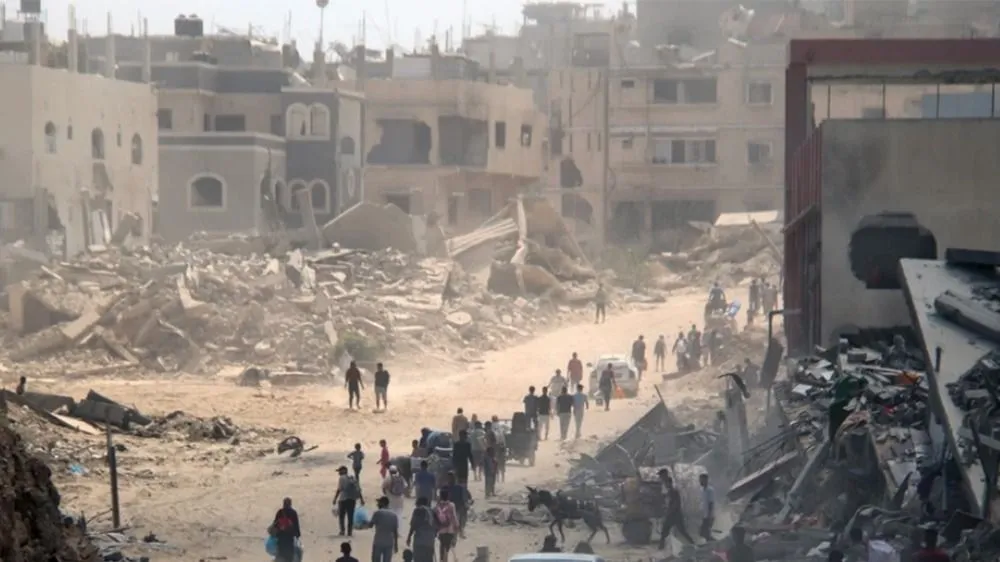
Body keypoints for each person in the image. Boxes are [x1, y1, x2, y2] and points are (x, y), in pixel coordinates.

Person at [658, 470, 695, 549]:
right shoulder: (670, 491)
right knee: (667, 531)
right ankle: (661, 547)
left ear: (669, 483)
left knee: (676, 531)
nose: (665, 484)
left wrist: (669, 511)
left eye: (667, 483)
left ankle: (693, 543)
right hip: (674, 515)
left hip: (674, 515)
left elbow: (676, 504)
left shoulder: (674, 491)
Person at [334, 465, 365, 536]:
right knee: (350, 516)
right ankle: (349, 532)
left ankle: (342, 531)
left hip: (343, 499)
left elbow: (339, 489)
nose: (339, 473)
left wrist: (335, 498)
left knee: (341, 516)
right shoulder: (352, 478)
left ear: (344, 471)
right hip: (352, 499)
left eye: (339, 471)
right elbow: (358, 489)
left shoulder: (341, 478)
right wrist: (361, 499)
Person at [406, 496, 437, 562]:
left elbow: (413, 525)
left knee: (418, 559)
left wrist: (409, 537)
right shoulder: (432, 511)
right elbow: (436, 526)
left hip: (419, 540)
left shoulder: (417, 510)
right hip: (430, 541)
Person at [369, 496, 400, 562]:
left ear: (382, 503)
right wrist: (396, 545)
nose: (377, 504)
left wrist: (362, 524)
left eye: (379, 503)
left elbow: (370, 525)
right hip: (389, 542)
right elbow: (395, 532)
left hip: (378, 541)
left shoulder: (377, 513)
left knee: (375, 560)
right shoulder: (394, 515)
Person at [434, 488, 460, 562]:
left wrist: (436, 529)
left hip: (441, 530)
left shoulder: (437, 506)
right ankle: (445, 559)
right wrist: (457, 526)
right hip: (450, 529)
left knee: (442, 545)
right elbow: (454, 516)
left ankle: (442, 559)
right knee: (447, 546)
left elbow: (435, 517)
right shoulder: (451, 505)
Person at [271, 497, 301, 562]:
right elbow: (297, 528)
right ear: (290, 504)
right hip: (289, 542)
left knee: (280, 557)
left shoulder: (280, 512)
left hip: (280, 542)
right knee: (289, 559)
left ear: (283, 504)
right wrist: (297, 536)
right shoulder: (293, 513)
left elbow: (275, 525)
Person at [444, 471, 472, 538]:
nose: (451, 479)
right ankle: (456, 535)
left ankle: (460, 532)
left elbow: (468, 496)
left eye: (452, 478)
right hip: (452, 508)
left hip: (460, 507)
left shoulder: (460, 487)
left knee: (462, 521)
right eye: (449, 478)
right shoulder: (446, 488)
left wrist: (467, 503)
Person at [698, 473, 715, 542]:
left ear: (706, 480)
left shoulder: (710, 490)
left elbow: (711, 503)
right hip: (705, 515)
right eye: (700, 480)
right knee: (704, 533)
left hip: (709, 515)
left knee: (704, 533)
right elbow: (703, 502)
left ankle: (714, 543)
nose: (700, 482)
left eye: (701, 480)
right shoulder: (701, 490)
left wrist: (710, 516)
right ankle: (712, 543)